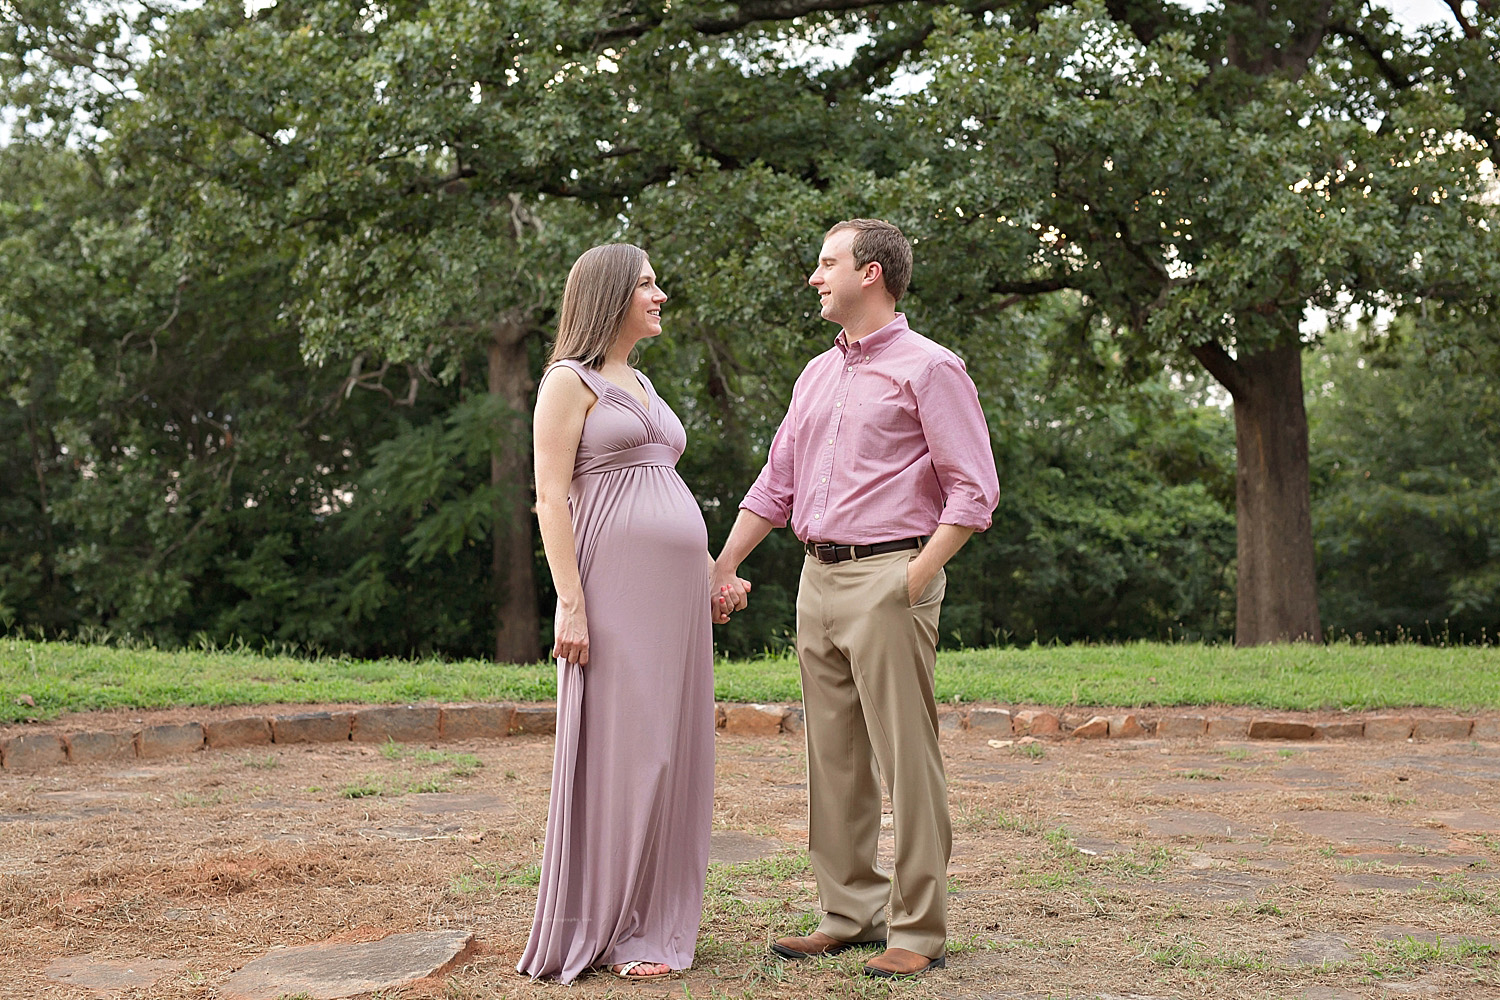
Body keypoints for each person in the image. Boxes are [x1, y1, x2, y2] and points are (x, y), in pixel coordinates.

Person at [712, 219, 999, 979]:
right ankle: (849, 913)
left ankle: (918, 928)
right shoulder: (815, 374)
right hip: (816, 576)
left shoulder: (931, 368)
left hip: (889, 575)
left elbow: (973, 491)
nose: (815, 276)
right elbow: (777, 484)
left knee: (908, 758)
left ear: (870, 273)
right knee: (832, 757)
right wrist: (723, 564)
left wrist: (913, 579)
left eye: (826, 263)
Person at [517, 243, 726, 983]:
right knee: (631, 749)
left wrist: (709, 573)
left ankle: (654, 919)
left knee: (675, 750)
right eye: (646, 284)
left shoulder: (640, 380)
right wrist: (571, 605)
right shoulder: (566, 383)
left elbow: (661, 487)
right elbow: (551, 498)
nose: (660, 294)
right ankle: (608, 921)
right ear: (610, 295)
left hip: (675, 600)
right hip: (613, 590)